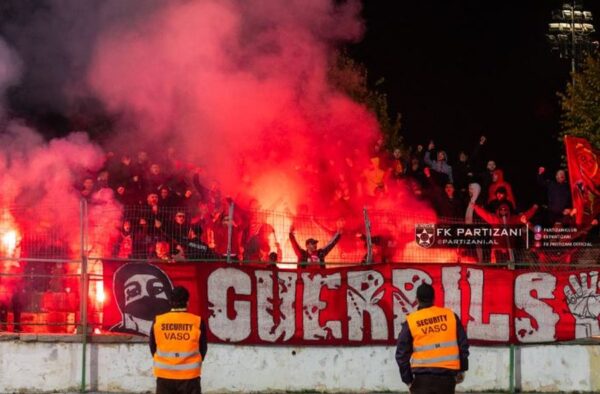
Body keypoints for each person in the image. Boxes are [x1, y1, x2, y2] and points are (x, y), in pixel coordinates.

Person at [395, 283, 469, 394]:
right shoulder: (450, 316)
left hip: (421, 380)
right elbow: (463, 345)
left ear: (417, 299)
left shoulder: (411, 321)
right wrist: (462, 369)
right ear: (434, 298)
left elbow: (401, 354)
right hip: (447, 379)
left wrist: (408, 380)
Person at [150, 286, 207, 394]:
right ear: (187, 302)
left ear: (170, 301)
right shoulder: (197, 322)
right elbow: (203, 348)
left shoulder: (158, 321)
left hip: (164, 376)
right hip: (189, 377)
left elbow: (153, 347)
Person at [110, 263, 174, 336]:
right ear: (122, 302)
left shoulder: (177, 329)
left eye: (156, 289)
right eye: (132, 292)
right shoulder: (117, 334)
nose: (145, 295)